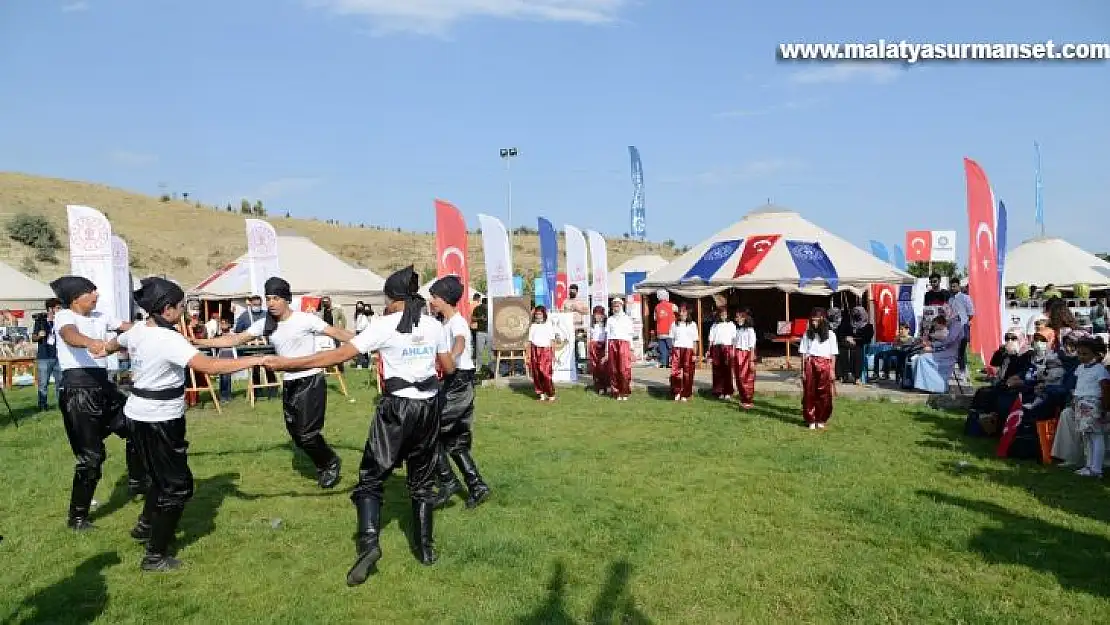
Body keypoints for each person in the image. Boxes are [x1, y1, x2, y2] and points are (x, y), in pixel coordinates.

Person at [263, 266, 455, 586]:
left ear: (394, 300)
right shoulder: (434, 326)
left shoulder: (384, 326)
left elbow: (337, 356)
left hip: (396, 409)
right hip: (429, 407)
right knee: (421, 480)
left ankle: (368, 544)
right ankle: (425, 549)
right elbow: (447, 366)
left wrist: (287, 363)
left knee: (370, 479)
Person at [94, 278, 265, 571]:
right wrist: (256, 360)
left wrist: (102, 349)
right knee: (176, 487)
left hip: (137, 414)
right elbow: (209, 367)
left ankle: (146, 525)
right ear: (167, 309)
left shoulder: (138, 330)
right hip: (160, 418)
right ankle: (155, 556)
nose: (185, 310)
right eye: (181, 305)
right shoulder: (168, 339)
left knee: (158, 477)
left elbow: (114, 343)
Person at [193, 277, 353, 489]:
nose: (270, 303)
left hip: (310, 380)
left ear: (286, 299)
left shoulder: (306, 320)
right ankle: (324, 461)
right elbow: (234, 340)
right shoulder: (265, 324)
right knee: (296, 434)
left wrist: (367, 340)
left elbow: (338, 333)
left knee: (307, 434)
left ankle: (329, 463)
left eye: (275, 298)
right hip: (289, 382)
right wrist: (199, 342)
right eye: (268, 298)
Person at [48, 276, 145, 530]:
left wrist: (156, 329)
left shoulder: (101, 315)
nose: (96, 294)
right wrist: (90, 342)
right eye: (91, 291)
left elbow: (128, 327)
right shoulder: (65, 316)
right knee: (91, 458)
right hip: (78, 392)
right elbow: (70, 335)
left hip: (105, 387)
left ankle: (137, 482)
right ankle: (77, 517)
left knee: (138, 425)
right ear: (75, 297)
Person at [426, 276, 490, 509]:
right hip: (457, 382)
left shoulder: (457, 323)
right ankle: (477, 486)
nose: (431, 301)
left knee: (430, 433)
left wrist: (449, 360)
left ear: (445, 299)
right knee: (455, 442)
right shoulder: (445, 323)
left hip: (459, 381)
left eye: (434, 297)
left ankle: (448, 481)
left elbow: (461, 342)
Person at [1072, 337, 1109, 477]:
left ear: (1095, 354)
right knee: (1086, 435)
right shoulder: (1080, 368)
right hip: (1081, 403)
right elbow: (1079, 384)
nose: (1081, 357)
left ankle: (1096, 468)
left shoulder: (1100, 370)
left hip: (1093, 404)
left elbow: (1105, 387)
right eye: (1079, 353)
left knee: (1096, 435)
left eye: (1085, 354)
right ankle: (1089, 465)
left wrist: (1105, 406)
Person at [799, 308, 838, 430]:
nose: (814, 323)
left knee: (824, 393)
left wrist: (832, 370)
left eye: (817, 321)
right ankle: (810, 418)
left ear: (823, 320)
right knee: (809, 392)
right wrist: (802, 371)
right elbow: (803, 353)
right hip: (810, 363)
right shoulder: (807, 334)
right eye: (813, 321)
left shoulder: (831, 335)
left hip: (825, 364)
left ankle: (821, 418)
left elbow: (833, 354)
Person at [911, 314, 964, 393]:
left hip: (949, 353)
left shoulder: (955, 325)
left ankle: (932, 386)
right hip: (944, 351)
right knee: (918, 358)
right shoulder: (952, 324)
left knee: (923, 358)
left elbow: (948, 342)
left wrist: (932, 347)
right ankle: (922, 384)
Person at [32, 298, 62, 411]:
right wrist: (39, 335)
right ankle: (42, 406)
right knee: (43, 384)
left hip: (59, 356)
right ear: (51, 309)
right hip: (44, 356)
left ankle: (62, 405)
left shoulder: (61, 321)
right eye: (58, 308)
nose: (60, 310)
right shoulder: (40, 321)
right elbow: (34, 338)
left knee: (60, 384)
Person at [605, 297, 635, 401]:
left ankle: (625, 391)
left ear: (621, 306)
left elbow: (630, 334)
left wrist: (631, 348)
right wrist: (606, 350)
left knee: (624, 369)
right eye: (614, 306)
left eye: (617, 305)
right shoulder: (610, 319)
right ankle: (616, 392)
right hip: (612, 343)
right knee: (613, 369)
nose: (615, 308)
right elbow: (608, 335)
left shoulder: (627, 319)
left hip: (624, 343)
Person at [527, 305, 558, 401]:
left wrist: (553, 354)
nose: (538, 316)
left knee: (545, 373)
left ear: (544, 315)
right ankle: (541, 394)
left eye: (540, 314)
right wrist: (528, 354)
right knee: (536, 373)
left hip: (546, 350)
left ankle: (551, 394)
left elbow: (552, 340)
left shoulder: (548, 325)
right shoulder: (533, 326)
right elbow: (530, 341)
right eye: (536, 314)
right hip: (535, 350)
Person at [836, 306, 873, 384]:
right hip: (847, 343)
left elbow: (867, 338)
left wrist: (855, 340)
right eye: (854, 313)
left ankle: (857, 377)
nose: (856, 315)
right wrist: (847, 337)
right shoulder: (848, 324)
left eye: (858, 313)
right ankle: (843, 375)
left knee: (857, 352)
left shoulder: (868, 326)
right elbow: (841, 334)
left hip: (860, 344)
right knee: (842, 350)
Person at [669, 305, 698, 402]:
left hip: (688, 350)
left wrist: (694, 354)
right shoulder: (674, 324)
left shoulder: (693, 324)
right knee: (675, 372)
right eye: (680, 312)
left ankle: (685, 393)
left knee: (688, 372)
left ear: (688, 313)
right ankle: (677, 392)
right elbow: (672, 339)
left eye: (684, 312)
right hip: (677, 349)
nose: (682, 314)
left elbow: (695, 340)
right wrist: (672, 352)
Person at [949, 278, 975, 379]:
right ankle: (950, 370)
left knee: (961, 350)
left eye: (954, 286)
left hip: (962, 327)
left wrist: (965, 320)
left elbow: (971, 313)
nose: (952, 288)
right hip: (952, 328)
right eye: (951, 286)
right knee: (952, 349)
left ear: (959, 286)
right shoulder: (950, 299)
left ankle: (963, 371)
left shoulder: (965, 298)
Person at [707, 307, 736, 399]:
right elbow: (711, 340)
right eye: (721, 314)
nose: (723, 315)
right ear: (719, 315)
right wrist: (709, 351)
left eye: (725, 314)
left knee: (727, 370)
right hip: (716, 348)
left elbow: (734, 339)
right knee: (717, 370)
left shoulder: (731, 324)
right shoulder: (715, 325)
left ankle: (727, 391)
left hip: (727, 348)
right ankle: (718, 391)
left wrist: (734, 350)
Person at [732, 308, 757, 409]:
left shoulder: (750, 330)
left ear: (744, 318)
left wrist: (751, 360)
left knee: (746, 378)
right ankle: (743, 398)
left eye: (738, 317)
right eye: (736, 317)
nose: (737, 319)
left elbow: (752, 347)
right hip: (738, 354)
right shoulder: (738, 330)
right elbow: (735, 344)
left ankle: (748, 400)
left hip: (746, 355)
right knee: (739, 378)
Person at [318, 296, 348, 372]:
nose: (325, 303)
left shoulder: (336, 310)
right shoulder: (321, 312)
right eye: (323, 302)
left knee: (338, 350)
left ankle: (341, 368)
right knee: (327, 350)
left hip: (335, 332)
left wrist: (341, 328)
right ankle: (328, 368)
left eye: (326, 302)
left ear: (330, 302)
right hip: (326, 333)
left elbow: (343, 319)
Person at [587, 306, 609, 394]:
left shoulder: (606, 325)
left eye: (600, 315)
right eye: (596, 315)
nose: (598, 317)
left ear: (603, 316)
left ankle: (606, 385)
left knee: (603, 367)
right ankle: (598, 386)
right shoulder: (592, 326)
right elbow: (589, 338)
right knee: (595, 367)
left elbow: (608, 337)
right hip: (594, 347)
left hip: (603, 346)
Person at [653, 291, 676, 369]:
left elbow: (655, 319)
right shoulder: (672, 305)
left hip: (660, 332)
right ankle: (671, 363)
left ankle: (663, 363)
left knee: (663, 349)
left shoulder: (656, 307)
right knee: (671, 348)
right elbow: (679, 312)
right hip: (669, 331)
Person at [470, 294, 488, 367]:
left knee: (488, 351)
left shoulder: (491, 308)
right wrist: (480, 318)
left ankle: (487, 367)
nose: (485, 306)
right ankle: (479, 367)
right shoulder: (477, 308)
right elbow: (473, 318)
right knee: (479, 350)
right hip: (480, 331)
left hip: (488, 331)